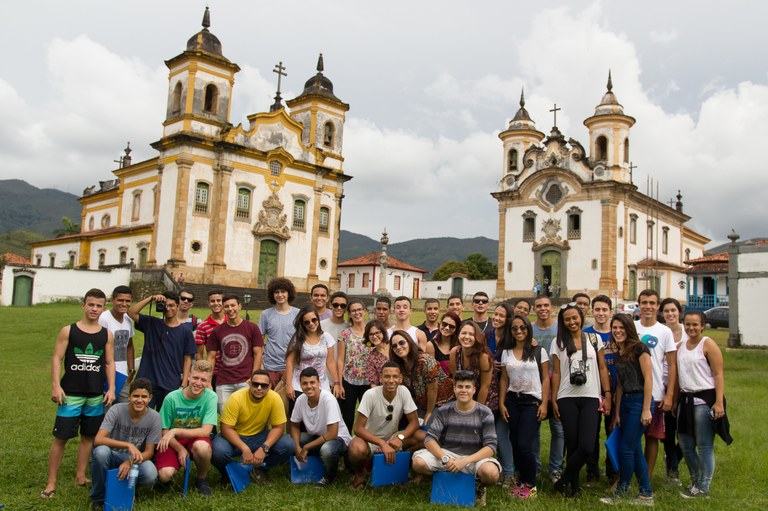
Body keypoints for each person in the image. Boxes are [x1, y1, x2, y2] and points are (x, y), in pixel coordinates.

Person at [42, 289, 116, 499]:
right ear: (83, 305)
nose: (94, 309)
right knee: (61, 438)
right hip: (71, 394)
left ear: (103, 308)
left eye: (99, 306)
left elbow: (109, 363)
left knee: (88, 437)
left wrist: (110, 389)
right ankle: (51, 483)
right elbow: (57, 358)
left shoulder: (106, 334)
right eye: (91, 304)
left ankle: (80, 476)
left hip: (95, 394)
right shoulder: (69, 331)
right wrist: (56, 386)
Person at [412, 370, 501, 507]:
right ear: (454, 389)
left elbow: (491, 447)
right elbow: (429, 439)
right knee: (418, 463)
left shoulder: (485, 412)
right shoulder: (444, 410)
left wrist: (465, 461)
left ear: (474, 390)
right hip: (448, 454)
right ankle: (444, 479)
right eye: (460, 387)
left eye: (467, 387)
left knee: (491, 473)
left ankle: (478, 486)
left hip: (473, 457)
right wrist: (445, 459)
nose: (463, 390)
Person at [550, 304, 611, 497]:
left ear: (581, 317)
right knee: (572, 443)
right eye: (567, 319)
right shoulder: (558, 342)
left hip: (591, 396)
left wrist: (607, 394)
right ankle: (574, 487)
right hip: (567, 396)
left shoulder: (594, 339)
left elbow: (602, 367)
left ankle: (563, 481)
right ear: (562, 322)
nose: (572, 322)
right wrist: (553, 398)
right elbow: (557, 372)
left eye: (574, 318)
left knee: (586, 446)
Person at [599, 314, 654, 506]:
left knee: (626, 449)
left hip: (640, 401)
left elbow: (648, 379)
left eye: (621, 327)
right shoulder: (618, 353)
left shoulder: (640, 348)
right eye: (614, 328)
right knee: (635, 449)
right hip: (626, 403)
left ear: (629, 329)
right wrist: (618, 413)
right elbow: (620, 386)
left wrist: (646, 409)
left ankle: (620, 492)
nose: (617, 331)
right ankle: (646, 494)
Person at [676, 310, 729, 499]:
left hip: (704, 402)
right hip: (685, 400)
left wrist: (719, 402)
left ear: (702, 325)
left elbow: (718, 374)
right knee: (686, 445)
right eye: (687, 324)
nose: (691, 327)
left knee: (704, 446)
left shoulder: (708, 344)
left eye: (695, 324)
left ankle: (704, 488)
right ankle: (695, 481)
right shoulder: (681, 346)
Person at [211, 369, 295, 483]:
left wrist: (264, 448)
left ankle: (260, 468)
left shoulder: (275, 398)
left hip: (259, 436)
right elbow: (225, 428)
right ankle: (231, 472)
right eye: (255, 384)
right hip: (235, 437)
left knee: (288, 444)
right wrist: (244, 448)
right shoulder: (236, 398)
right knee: (217, 451)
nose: (259, 388)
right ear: (249, 383)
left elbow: (279, 427)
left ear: (270, 386)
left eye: (264, 385)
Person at [499, 314, 550, 499]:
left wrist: (544, 403)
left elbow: (545, 378)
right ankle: (521, 481)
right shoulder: (506, 352)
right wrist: (502, 403)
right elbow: (504, 379)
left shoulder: (538, 351)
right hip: (513, 400)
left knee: (525, 444)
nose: (519, 331)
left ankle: (530, 485)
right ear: (510, 331)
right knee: (514, 441)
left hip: (531, 402)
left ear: (528, 329)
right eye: (515, 328)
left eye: (523, 327)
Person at [90, 378, 162, 509]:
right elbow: (98, 439)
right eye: (135, 396)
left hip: (134, 459)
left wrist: (130, 461)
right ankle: (98, 497)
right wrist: (128, 445)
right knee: (100, 452)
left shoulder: (155, 417)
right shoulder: (116, 410)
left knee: (150, 472)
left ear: (150, 398)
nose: (139, 400)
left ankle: (128, 490)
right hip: (111, 454)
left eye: (144, 397)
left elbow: (149, 452)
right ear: (129, 396)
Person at [347, 362, 420, 490]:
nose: (391, 381)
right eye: (387, 376)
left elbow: (414, 422)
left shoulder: (403, 391)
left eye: (395, 377)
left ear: (400, 379)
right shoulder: (370, 394)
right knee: (356, 448)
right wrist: (382, 443)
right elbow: (358, 428)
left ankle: (402, 469)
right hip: (370, 439)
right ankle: (360, 473)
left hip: (392, 437)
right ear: (380, 378)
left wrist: (400, 438)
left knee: (423, 438)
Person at [155, 360, 217, 496]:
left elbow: (206, 431)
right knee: (165, 475)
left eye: (203, 380)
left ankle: (202, 479)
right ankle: (166, 479)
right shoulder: (171, 398)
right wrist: (180, 449)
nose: (198, 383)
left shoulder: (211, 397)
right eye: (195, 377)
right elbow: (164, 431)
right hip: (173, 441)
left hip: (195, 437)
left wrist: (176, 430)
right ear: (188, 376)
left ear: (209, 381)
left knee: (203, 447)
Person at [634, 289, 677, 478]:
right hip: (632, 392)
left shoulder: (665, 331)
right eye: (644, 303)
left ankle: (646, 477)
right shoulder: (631, 327)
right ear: (639, 304)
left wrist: (669, 395)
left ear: (657, 306)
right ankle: (625, 474)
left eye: (652, 303)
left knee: (652, 438)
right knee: (631, 438)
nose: (648, 307)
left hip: (657, 393)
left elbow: (672, 365)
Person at [128, 291, 196, 410]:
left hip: (170, 382)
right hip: (147, 381)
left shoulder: (185, 332)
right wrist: (151, 298)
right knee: (141, 416)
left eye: (171, 305)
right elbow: (131, 312)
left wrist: (184, 383)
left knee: (165, 420)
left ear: (177, 306)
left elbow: (187, 359)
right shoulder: (152, 323)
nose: (168, 308)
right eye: (165, 305)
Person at [289, 367, 351, 487]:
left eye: (312, 382)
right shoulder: (301, 400)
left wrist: (306, 447)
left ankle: (330, 475)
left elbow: (332, 434)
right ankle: (307, 463)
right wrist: (297, 446)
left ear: (319, 383)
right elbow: (295, 425)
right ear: (300, 384)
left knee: (327, 450)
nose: (309, 386)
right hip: (317, 437)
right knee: (290, 441)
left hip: (338, 439)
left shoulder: (328, 399)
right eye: (305, 383)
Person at [206, 294, 264, 414]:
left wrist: (253, 377)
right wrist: (208, 380)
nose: (230, 309)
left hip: (245, 380)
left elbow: (258, 354)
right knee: (225, 415)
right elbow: (210, 357)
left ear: (239, 306)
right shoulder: (217, 331)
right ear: (223, 308)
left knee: (247, 415)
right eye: (226, 306)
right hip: (224, 381)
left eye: (233, 305)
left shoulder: (252, 328)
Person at [584, 295, 618, 485]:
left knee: (612, 430)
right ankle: (592, 471)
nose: (601, 313)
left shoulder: (617, 332)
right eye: (597, 309)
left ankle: (613, 470)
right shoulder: (585, 334)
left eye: (604, 309)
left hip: (616, 390)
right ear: (592, 311)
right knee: (592, 432)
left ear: (610, 312)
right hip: (593, 390)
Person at [389, 330, 453, 427]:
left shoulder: (425, 360)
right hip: (421, 403)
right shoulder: (399, 366)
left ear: (409, 342)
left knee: (428, 427)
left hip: (441, 401)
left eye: (401, 343)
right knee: (411, 426)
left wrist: (429, 413)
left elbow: (433, 390)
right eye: (394, 346)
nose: (398, 347)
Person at [531, 295, 564, 482]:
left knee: (558, 429)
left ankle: (555, 469)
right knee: (533, 429)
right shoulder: (530, 329)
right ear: (534, 309)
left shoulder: (561, 328)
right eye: (539, 306)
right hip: (536, 385)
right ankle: (534, 467)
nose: (542, 308)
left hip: (558, 384)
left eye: (546, 305)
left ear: (552, 307)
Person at [485, 303, 517, 487]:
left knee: (501, 433)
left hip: (507, 391)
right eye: (495, 314)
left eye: (501, 316)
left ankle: (509, 473)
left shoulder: (512, 337)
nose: (496, 318)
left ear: (508, 319)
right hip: (489, 391)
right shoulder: (488, 335)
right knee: (492, 433)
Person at [285, 307, 339, 404]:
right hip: (300, 386)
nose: (311, 323)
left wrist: (336, 382)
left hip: (321, 384)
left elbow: (330, 362)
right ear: (302, 324)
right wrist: (288, 385)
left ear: (318, 319)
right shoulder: (297, 338)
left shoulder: (326, 337)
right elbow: (289, 362)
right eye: (307, 322)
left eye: (314, 320)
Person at [659, 297, 686, 485]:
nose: (670, 314)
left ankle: (673, 456)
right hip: (665, 386)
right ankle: (672, 471)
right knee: (668, 430)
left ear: (679, 313)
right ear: (662, 314)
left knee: (687, 431)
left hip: (685, 387)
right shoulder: (660, 333)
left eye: (673, 310)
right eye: (666, 311)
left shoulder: (688, 332)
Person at [337, 298, 372, 432]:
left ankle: (366, 444)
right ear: (349, 314)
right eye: (353, 311)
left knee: (368, 416)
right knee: (348, 416)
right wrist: (339, 383)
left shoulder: (372, 331)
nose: (357, 313)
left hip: (369, 381)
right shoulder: (345, 334)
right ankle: (346, 444)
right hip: (349, 381)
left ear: (364, 312)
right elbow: (340, 360)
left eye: (359, 310)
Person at [258, 277, 300, 389]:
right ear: (272, 294)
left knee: (289, 403)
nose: (280, 295)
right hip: (270, 366)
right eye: (276, 292)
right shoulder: (265, 314)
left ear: (289, 293)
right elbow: (259, 341)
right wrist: (261, 363)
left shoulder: (298, 314)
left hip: (291, 366)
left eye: (283, 291)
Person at [99, 285, 136, 403]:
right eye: (120, 300)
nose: (124, 304)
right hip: (105, 373)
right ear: (112, 300)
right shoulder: (103, 319)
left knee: (124, 411)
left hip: (122, 374)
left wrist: (131, 369)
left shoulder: (128, 320)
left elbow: (129, 345)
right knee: (105, 409)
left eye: (128, 301)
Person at [449, 322, 495, 409]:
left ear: (477, 338)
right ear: (458, 335)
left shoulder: (483, 357)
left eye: (471, 334)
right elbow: (455, 379)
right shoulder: (454, 352)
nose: (466, 337)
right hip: (463, 396)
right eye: (463, 333)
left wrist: (476, 410)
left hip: (484, 400)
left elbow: (485, 387)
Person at [194, 289, 225, 388]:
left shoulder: (232, 322)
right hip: (214, 372)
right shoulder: (203, 326)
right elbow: (199, 354)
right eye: (212, 301)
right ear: (208, 304)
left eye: (218, 300)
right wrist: (204, 375)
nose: (216, 303)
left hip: (233, 371)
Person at [364, 320, 390, 386]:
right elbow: (373, 384)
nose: (374, 336)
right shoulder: (371, 358)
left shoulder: (395, 346)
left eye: (377, 333)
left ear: (383, 333)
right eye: (371, 334)